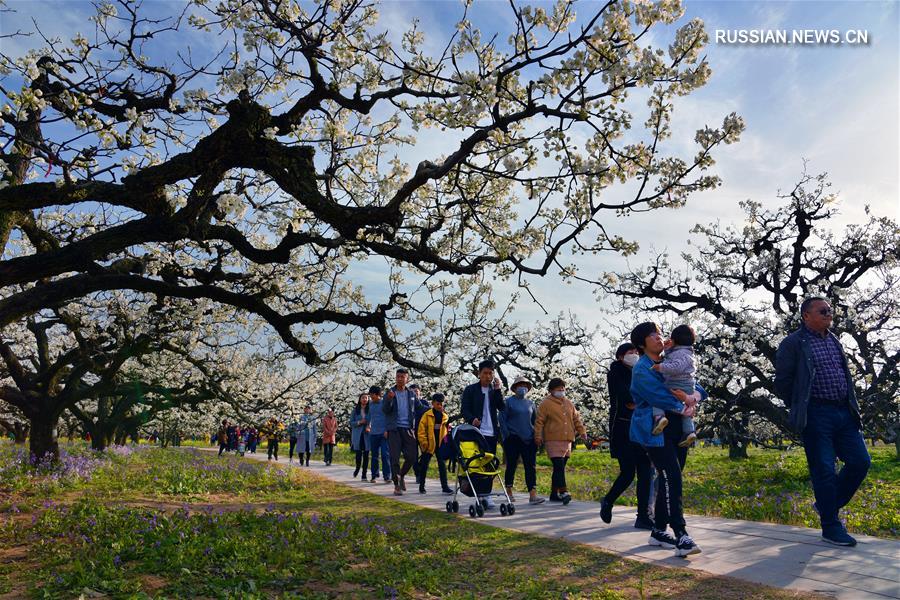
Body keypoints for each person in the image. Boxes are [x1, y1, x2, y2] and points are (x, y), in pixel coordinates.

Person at [775, 297, 870, 547]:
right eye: (823, 311)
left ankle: (826, 505)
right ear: (806, 315)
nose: (829, 313)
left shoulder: (834, 339)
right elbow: (782, 382)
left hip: (844, 412)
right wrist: (800, 405)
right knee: (824, 470)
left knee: (861, 461)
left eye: (830, 310)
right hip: (816, 413)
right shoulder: (793, 343)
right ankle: (831, 526)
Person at [629, 321, 705, 557]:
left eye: (660, 334)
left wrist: (694, 396)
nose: (659, 338)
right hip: (655, 430)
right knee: (670, 475)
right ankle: (681, 534)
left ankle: (659, 530)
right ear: (642, 343)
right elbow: (658, 395)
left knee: (670, 477)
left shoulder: (672, 360)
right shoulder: (643, 368)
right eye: (653, 335)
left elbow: (696, 384)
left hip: (676, 428)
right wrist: (685, 405)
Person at [599, 343, 654, 529]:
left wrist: (641, 401)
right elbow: (627, 398)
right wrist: (641, 400)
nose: (634, 355)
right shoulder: (616, 372)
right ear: (620, 357)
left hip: (642, 427)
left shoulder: (642, 370)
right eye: (630, 353)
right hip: (623, 428)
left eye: (636, 352)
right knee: (629, 472)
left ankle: (643, 516)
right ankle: (608, 501)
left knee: (646, 471)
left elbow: (647, 396)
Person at [460, 359, 506, 508]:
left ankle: (487, 494)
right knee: (477, 464)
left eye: (490, 373)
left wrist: (498, 389)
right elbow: (464, 409)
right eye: (485, 373)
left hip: (492, 433)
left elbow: (502, 407)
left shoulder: (494, 391)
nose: (488, 376)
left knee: (490, 465)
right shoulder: (470, 390)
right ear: (479, 374)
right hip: (476, 433)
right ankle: (479, 495)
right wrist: (472, 419)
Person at [534, 378, 587, 504]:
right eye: (559, 389)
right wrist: (538, 436)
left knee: (560, 468)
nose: (562, 391)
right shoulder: (545, 404)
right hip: (552, 439)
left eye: (563, 389)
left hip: (567, 440)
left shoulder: (569, 403)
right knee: (558, 466)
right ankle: (563, 492)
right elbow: (539, 421)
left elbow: (576, 419)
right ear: (551, 390)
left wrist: (582, 431)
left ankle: (553, 494)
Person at [498, 375, 545, 505]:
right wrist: (507, 436)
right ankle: (509, 491)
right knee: (511, 465)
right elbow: (502, 419)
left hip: (529, 439)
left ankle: (533, 495)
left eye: (525, 386)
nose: (522, 388)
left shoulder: (531, 404)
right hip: (513, 438)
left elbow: (535, 421)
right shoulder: (508, 402)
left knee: (530, 466)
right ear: (515, 388)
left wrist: (537, 436)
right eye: (520, 386)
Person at [651, 325, 699, 448]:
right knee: (687, 413)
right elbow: (673, 360)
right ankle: (689, 432)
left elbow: (675, 367)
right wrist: (667, 350)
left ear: (674, 339)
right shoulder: (686, 353)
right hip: (688, 387)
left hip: (676, 384)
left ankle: (659, 417)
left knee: (658, 399)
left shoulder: (681, 354)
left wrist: (660, 367)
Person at [383, 368, 427, 495]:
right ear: (396, 378)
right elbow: (385, 410)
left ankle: (401, 475)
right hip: (394, 430)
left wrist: (433, 410)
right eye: (398, 376)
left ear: (407, 379)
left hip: (408, 429)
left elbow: (420, 408)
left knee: (412, 457)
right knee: (394, 458)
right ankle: (396, 485)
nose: (400, 379)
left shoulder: (411, 394)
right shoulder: (390, 393)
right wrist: (389, 399)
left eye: (403, 377)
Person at [416, 393, 452, 495]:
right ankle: (421, 486)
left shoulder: (445, 416)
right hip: (429, 444)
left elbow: (446, 430)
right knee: (424, 465)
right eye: (438, 404)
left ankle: (445, 487)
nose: (440, 406)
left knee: (442, 465)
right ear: (432, 403)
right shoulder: (427, 415)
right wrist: (424, 443)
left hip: (440, 445)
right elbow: (421, 431)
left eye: (441, 404)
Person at [367, 386, 391, 484]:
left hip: (383, 433)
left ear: (378, 395)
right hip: (373, 433)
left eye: (372, 395)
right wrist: (368, 425)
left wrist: (387, 430)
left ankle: (387, 476)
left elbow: (389, 417)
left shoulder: (384, 403)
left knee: (385, 455)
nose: (371, 397)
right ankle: (374, 476)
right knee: (374, 456)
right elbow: (369, 416)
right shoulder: (371, 404)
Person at [350, 393, 371, 480]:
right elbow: (351, 423)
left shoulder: (370, 409)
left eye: (366, 398)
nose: (365, 399)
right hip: (358, 435)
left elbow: (373, 419)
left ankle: (364, 474)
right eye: (363, 398)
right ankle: (357, 468)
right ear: (360, 399)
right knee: (358, 454)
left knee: (366, 455)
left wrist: (369, 426)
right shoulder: (355, 410)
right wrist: (359, 422)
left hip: (367, 434)